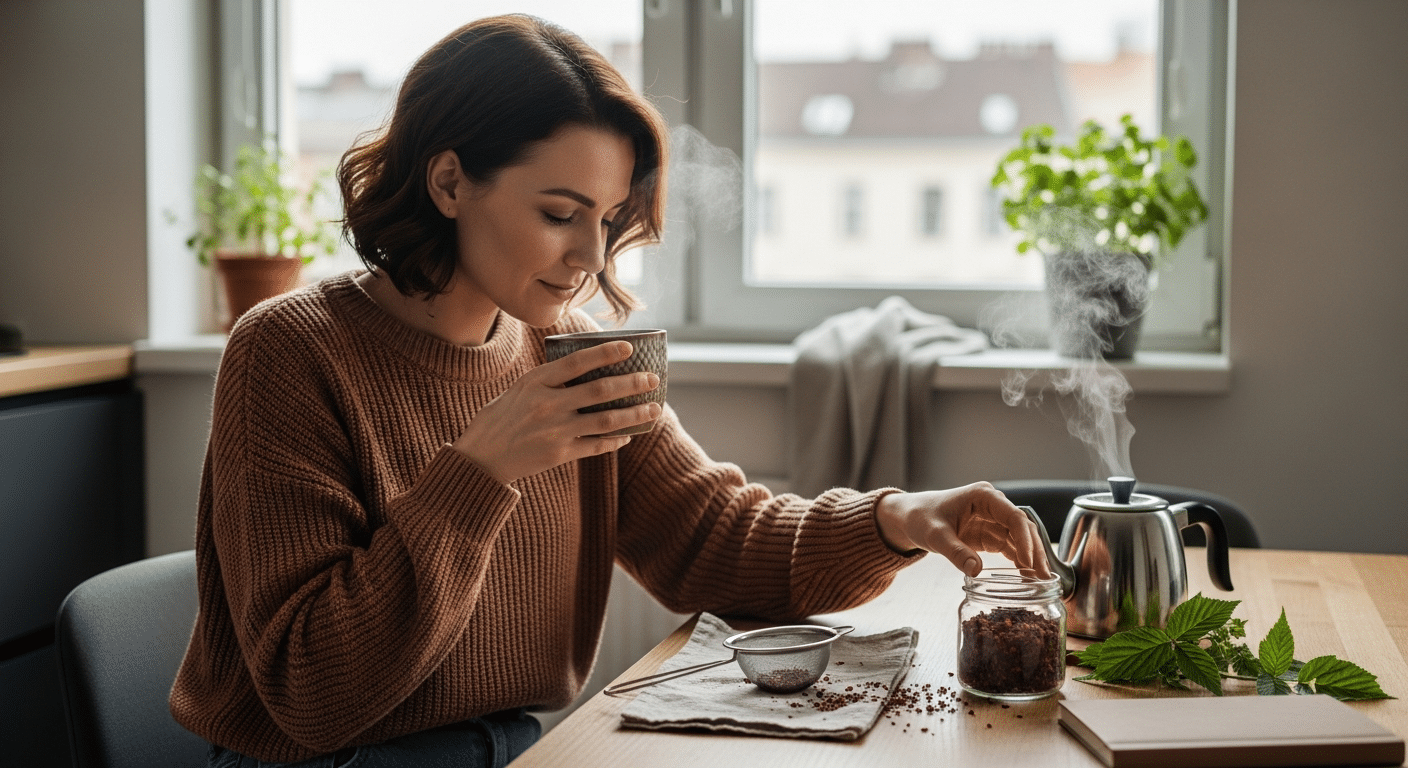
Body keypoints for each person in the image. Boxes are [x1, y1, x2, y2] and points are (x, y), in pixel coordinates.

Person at [170, 14, 1050, 768]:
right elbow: (313, 691)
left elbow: (714, 537)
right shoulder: (289, 352)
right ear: (448, 182)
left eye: (606, 219)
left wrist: (898, 518)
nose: (591, 258)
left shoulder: (571, 350)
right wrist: (482, 468)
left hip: (522, 741)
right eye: (559, 213)